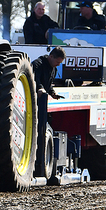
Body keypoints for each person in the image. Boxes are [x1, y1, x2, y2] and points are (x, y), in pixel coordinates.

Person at [32, 47, 66, 176]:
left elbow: (49, 84)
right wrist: (40, 89)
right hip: (33, 102)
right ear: (50, 56)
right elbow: (35, 80)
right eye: (57, 62)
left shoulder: (53, 68)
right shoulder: (37, 64)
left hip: (43, 102)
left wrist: (52, 93)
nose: (58, 65)